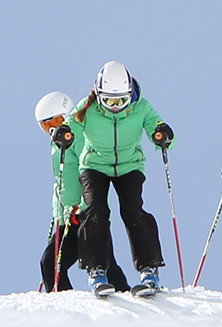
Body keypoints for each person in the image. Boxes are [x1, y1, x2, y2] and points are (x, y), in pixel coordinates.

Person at [67, 62, 174, 295]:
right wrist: (64, 134)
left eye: (120, 102)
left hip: (129, 165)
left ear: (129, 95)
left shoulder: (142, 107)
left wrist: (162, 135)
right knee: (95, 211)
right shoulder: (88, 107)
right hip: (94, 165)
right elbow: (72, 125)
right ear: (99, 95)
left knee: (132, 210)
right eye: (109, 102)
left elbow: (155, 124)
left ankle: (149, 270)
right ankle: (96, 270)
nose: (115, 107)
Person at [34, 91, 86, 292]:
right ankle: (121, 292)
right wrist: (59, 213)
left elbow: (88, 170)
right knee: (54, 262)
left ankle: (62, 301)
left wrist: (83, 205)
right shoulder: (58, 145)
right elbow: (62, 183)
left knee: (50, 262)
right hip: (68, 215)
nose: (50, 129)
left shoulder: (78, 135)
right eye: (44, 126)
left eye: (53, 121)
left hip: (81, 212)